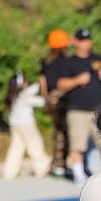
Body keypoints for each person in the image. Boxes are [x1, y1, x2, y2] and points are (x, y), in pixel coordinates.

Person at [57, 28, 101, 185]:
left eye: (88, 40)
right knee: (78, 145)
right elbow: (60, 84)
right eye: (82, 40)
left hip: (98, 109)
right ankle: (78, 174)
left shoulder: (97, 59)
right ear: (75, 42)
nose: (85, 43)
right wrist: (76, 80)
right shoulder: (69, 62)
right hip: (77, 110)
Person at [2, 71, 50, 179]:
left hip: (15, 125)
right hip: (26, 125)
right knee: (35, 145)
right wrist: (44, 89)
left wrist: (40, 83)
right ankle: (42, 168)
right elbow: (42, 101)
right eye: (25, 81)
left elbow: (32, 89)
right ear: (21, 84)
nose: (27, 83)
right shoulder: (24, 96)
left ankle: (9, 172)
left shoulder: (12, 95)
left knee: (16, 147)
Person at [40, 29, 71, 179]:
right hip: (61, 97)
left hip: (50, 98)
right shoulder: (66, 61)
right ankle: (60, 164)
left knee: (58, 131)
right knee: (63, 132)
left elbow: (43, 82)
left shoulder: (46, 61)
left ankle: (57, 163)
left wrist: (46, 98)